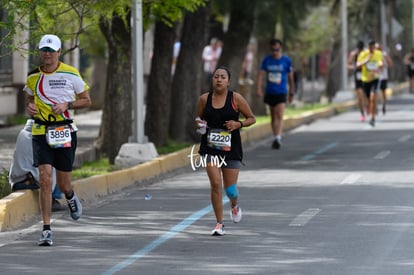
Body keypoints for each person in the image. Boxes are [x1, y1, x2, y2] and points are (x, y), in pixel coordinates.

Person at [23, 34, 92, 246]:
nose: (47, 54)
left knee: (63, 184)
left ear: (59, 52)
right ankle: (46, 229)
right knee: (45, 179)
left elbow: (87, 100)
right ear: (40, 52)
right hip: (41, 131)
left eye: (51, 50)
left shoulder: (71, 73)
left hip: (65, 130)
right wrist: (30, 107)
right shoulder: (33, 77)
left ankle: (70, 196)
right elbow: (29, 99)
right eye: (44, 50)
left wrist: (67, 105)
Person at [196, 66, 256, 236]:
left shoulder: (236, 98)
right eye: (216, 76)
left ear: (229, 82)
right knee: (215, 183)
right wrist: (199, 125)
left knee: (230, 190)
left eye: (223, 77)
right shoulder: (204, 99)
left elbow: (251, 118)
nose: (219, 79)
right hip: (210, 147)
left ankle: (234, 204)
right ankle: (219, 223)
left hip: (231, 148)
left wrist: (239, 124)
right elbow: (199, 118)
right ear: (212, 80)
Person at [8, 119, 66, 212]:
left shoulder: (23, 133)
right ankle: (53, 199)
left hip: (17, 182)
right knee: (60, 158)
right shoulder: (44, 137)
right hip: (30, 182)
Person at [256, 38, 294, 149]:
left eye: (277, 49)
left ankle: (278, 137)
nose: (275, 52)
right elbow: (261, 75)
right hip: (270, 91)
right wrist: (258, 88)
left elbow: (291, 78)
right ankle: (275, 135)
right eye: (273, 50)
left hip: (282, 91)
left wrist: (291, 93)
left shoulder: (286, 61)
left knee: (279, 114)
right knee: (273, 116)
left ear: (280, 48)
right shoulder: (267, 60)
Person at [356, 40, 383, 127]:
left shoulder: (378, 53)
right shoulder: (363, 54)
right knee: (368, 100)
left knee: (373, 97)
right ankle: (370, 110)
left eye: (373, 47)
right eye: (370, 47)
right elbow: (358, 65)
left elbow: (380, 65)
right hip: (365, 79)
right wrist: (367, 59)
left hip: (374, 78)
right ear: (368, 47)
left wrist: (378, 69)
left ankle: (372, 117)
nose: (372, 49)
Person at [348, 40, 367, 121]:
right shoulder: (353, 54)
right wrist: (354, 67)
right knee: (359, 96)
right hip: (358, 76)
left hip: (367, 75)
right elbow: (348, 65)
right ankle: (362, 114)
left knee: (366, 95)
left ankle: (367, 106)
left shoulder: (367, 53)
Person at [376, 43, 393, 115]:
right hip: (375, 77)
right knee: (375, 92)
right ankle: (375, 107)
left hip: (383, 76)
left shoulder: (384, 54)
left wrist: (384, 65)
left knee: (383, 92)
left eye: (379, 48)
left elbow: (390, 64)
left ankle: (383, 105)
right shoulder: (372, 54)